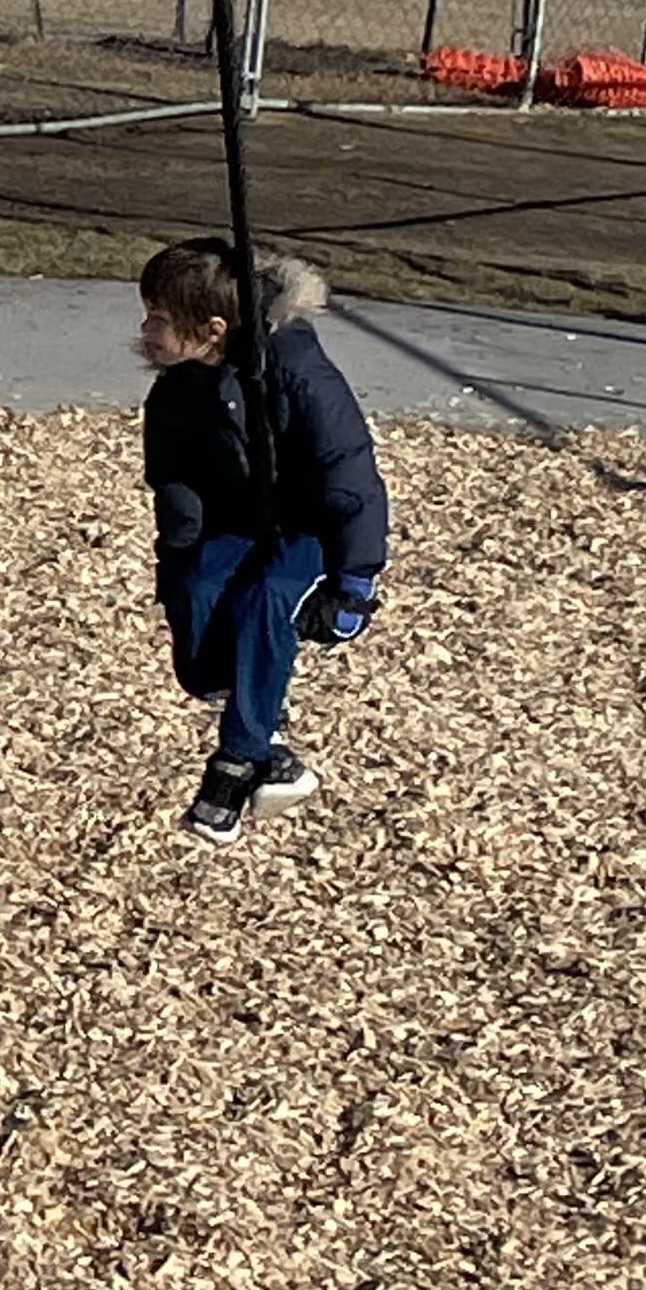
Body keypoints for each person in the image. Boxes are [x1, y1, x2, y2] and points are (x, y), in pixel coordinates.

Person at [137, 238, 387, 845]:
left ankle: (236, 765)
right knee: (200, 626)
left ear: (213, 328)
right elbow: (176, 480)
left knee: (265, 600)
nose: (146, 330)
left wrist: (355, 583)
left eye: (160, 319)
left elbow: (348, 467)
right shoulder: (178, 389)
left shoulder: (295, 369)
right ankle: (273, 750)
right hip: (237, 523)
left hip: (307, 527)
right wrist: (178, 557)